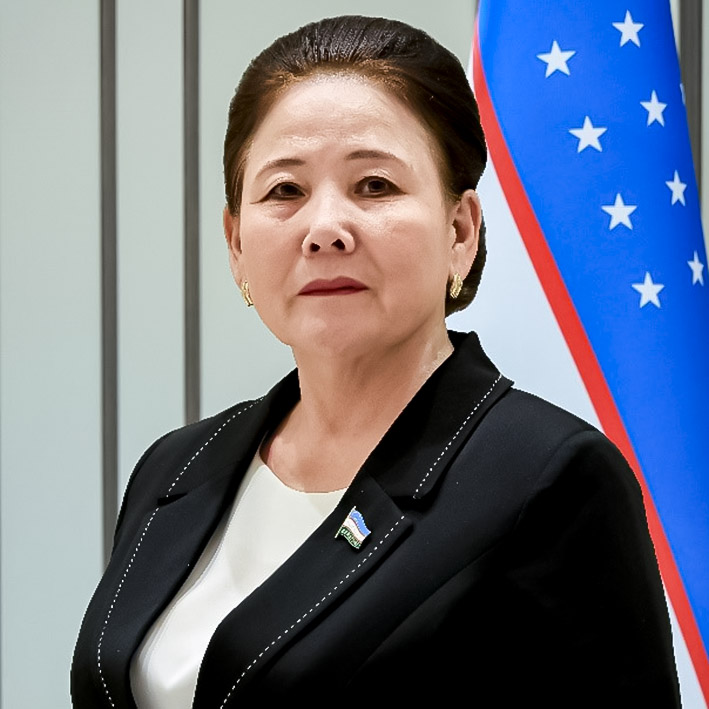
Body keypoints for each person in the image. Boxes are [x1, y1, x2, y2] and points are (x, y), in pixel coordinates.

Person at [71, 15, 681, 708]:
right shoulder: (176, 466)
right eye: (285, 191)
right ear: (236, 243)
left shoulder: (551, 479)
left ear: (460, 230)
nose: (324, 229)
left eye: (374, 186)